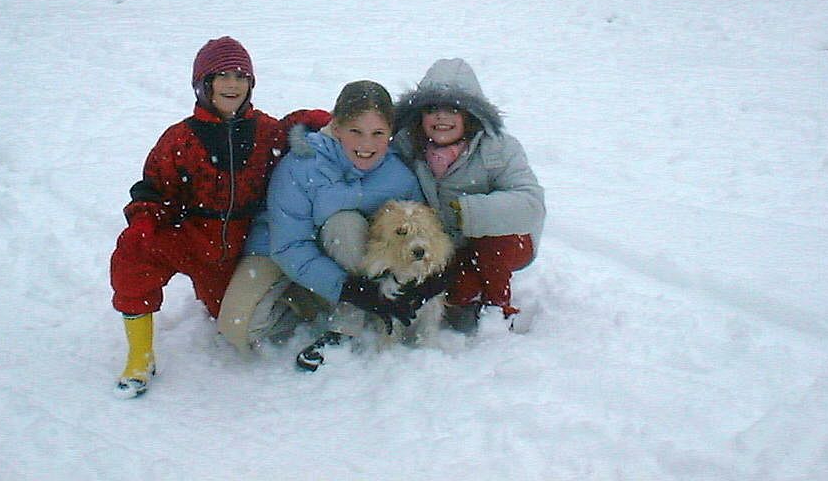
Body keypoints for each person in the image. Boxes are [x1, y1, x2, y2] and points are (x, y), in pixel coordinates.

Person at [108, 36, 330, 397]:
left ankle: (301, 302)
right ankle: (140, 355)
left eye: (241, 77)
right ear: (203, 84)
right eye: (222, 75)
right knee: (134, 251)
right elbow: (152, 189)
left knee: (229, 321)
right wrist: (146, 224)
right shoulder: (181, 138)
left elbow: (295, 126)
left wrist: (336, 120)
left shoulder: (263, 131)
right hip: (192, 237)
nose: (232, 84)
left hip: (238, 249)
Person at [224, 80, 425, 372]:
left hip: (352, 255)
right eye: (355, 131)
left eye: (378, 134)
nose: (366, 145)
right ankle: (320, 299)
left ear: (390, 134)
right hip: (283, 251)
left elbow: (419, 230)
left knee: (343, 224)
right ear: (337, 126)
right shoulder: (302, 165)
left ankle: (346, 324)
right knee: (238, 328)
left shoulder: (399, 175)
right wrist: (346, 289)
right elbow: (290, 245)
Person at [392, 58, 545, 332]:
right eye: (432, 109)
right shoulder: (406, 146)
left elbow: (530, 203)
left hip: (507, 240)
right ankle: (466, 296)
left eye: (453, 109)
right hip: (447, 245)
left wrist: (467, 212)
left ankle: (498, 309)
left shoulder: (498, 148)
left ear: (471, 115)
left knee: (491, 247)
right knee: (457, 289)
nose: (442, 117)